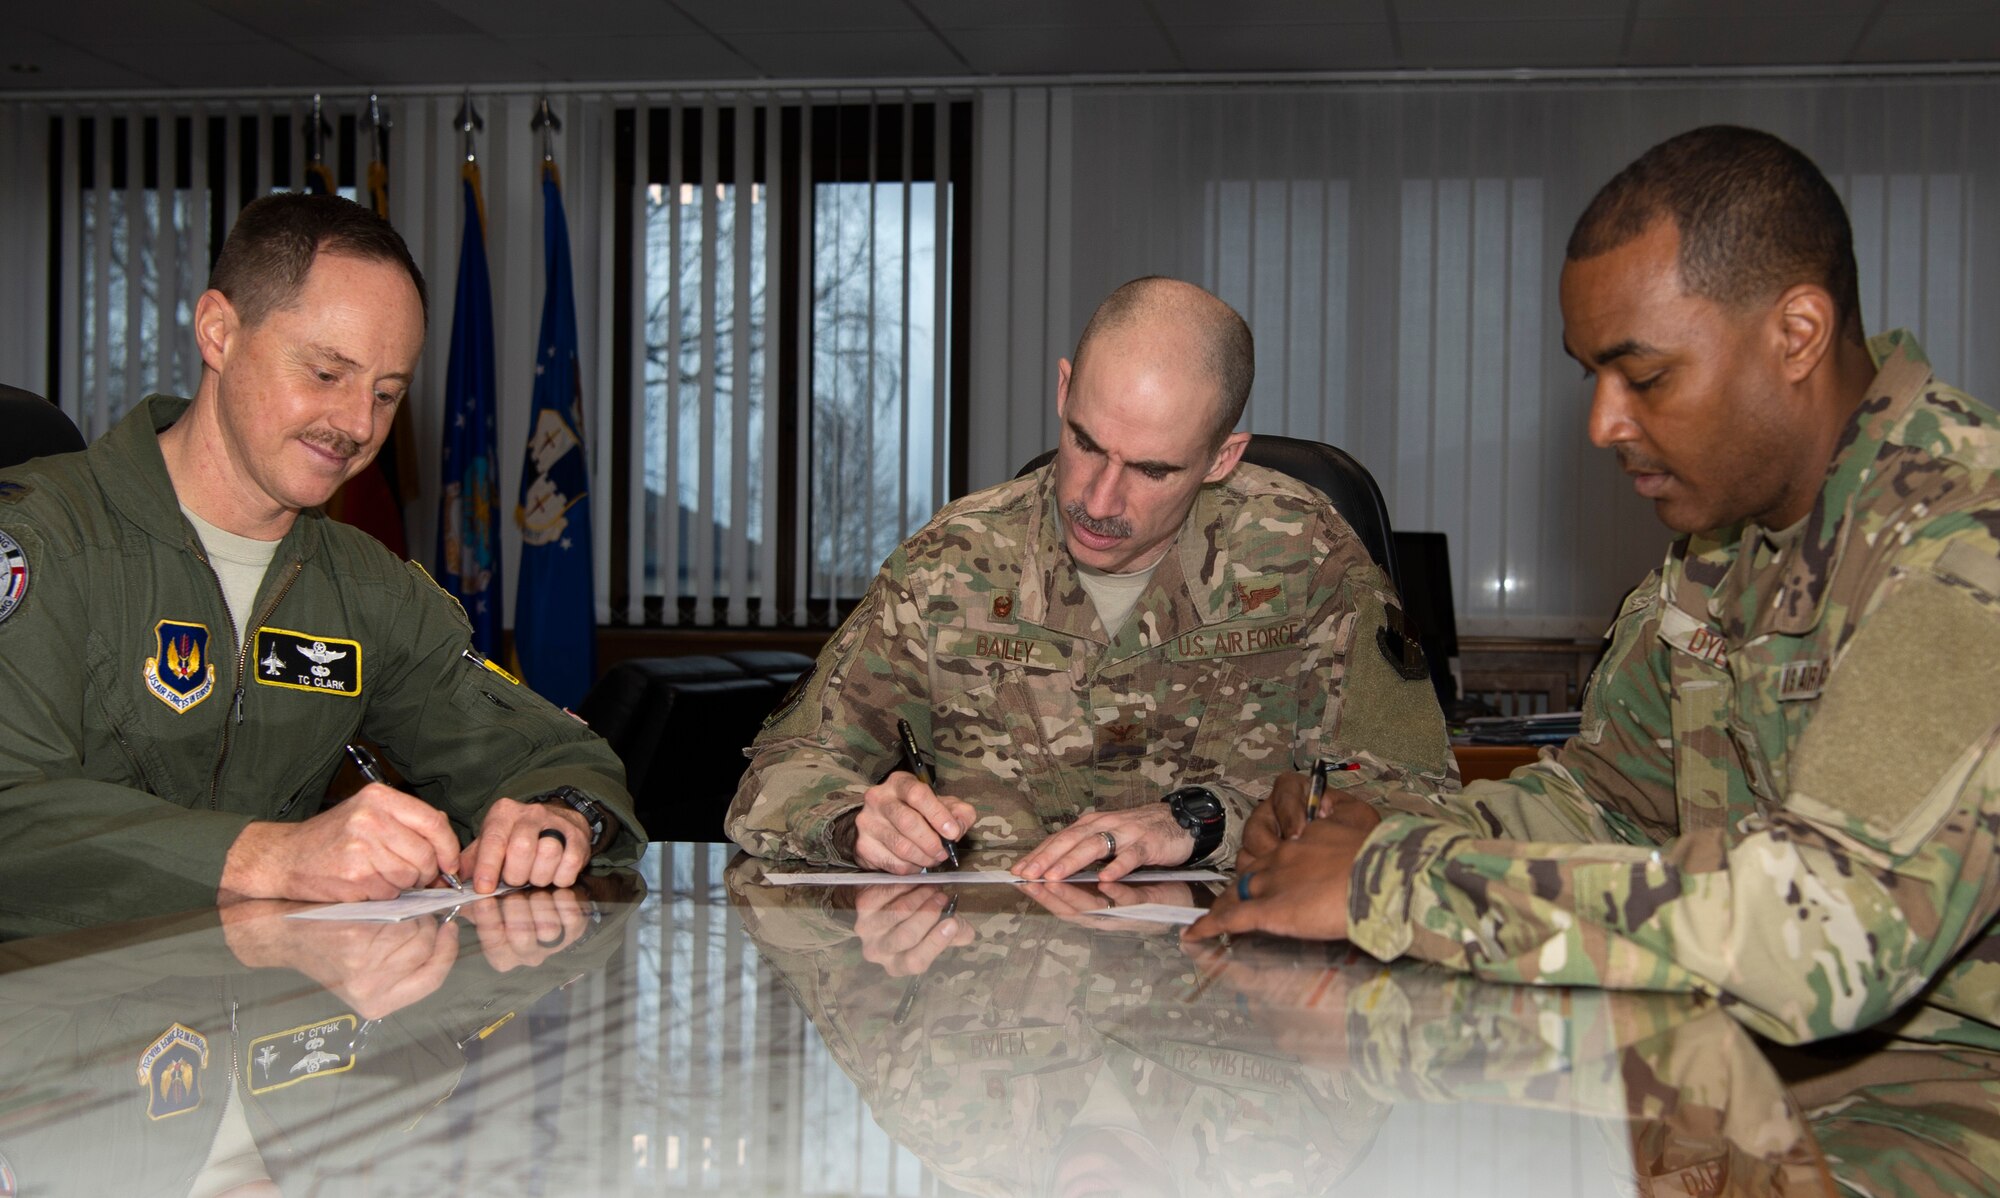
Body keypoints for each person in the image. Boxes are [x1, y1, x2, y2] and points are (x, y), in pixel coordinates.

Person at [1190, 125, 2000, 1049]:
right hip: (1732, 1056)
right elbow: (1609, 804)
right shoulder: (1725, 544)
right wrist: (1379, 825)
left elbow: (1824, 931)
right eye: (1593, 376)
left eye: (1644, 376)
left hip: (1939, 1096)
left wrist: (1393, 882)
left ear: (1798, 335)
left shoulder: (1964, 548)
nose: (1604, 423)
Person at [0, 193, 642, 938]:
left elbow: (559, 754)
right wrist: (267, 860)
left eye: (386, 393)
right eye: (327, 373)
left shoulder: (362, 587)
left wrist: (558, 817)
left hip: (262, 1010)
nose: (358, 425)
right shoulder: (41, 543)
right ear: (219, 331)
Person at [727, 277, 1453, 880]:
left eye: (1153, 470)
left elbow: (1419, 801)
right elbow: (780, 773)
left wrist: (1204, 822)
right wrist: (854, 820)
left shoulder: (1307, 560)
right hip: (998, 1003)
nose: (1100, 502)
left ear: (1222, 457)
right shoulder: (951, 564)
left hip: (1222, 1007)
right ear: (1064, 390)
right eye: (1084, 443)